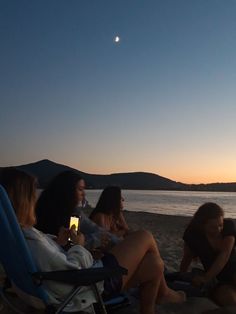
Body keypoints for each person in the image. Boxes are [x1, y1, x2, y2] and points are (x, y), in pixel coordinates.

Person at [0, 167, 185, 314]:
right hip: (86, 284)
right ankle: (166, 293)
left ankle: (154, 304)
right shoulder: (67, 218)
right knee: (145, 236)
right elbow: (75, 250)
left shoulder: (24, 231)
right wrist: (84, 244)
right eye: (80, 189)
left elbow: (56, 252)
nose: (83, 194)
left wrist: (66, 243)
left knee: (153, 263)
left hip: (66, 278)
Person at [35, 171, 119, 250]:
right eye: (80, 189)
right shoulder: (70, 215)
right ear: (67, 191)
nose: (84, 194)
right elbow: (70, 245)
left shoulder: (73, 212)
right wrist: (95, 240)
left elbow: (93, 230)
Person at [180, 202, 236, 306]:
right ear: (202, 225)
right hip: (220, 280)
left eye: (220, 225)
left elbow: (225, 254)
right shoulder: (192, 235)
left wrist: (206, 277)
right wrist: (181, 276)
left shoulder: (228, 226)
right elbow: (187, 257)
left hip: (232, 270)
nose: (218, 230)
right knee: (230, 303)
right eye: (213, 227)